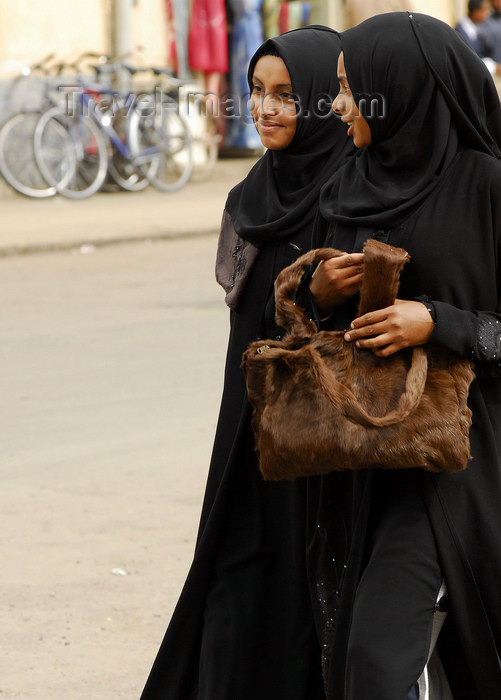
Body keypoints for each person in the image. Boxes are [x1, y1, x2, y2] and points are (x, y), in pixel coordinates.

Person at [139, 26, 354, 700]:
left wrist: (307, 301)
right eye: (257, 91)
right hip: (249, 428)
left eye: (287, 95)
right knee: (233, 573)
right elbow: (242, 308)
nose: (264, 108)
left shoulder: (352, 195)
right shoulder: (250, 196)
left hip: (327, 440)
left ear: (321, 102)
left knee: (303, 589)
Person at [307, 12, 501, 700]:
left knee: (379, 657)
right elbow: (315, 328)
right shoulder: (348, 183)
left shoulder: (486, 187)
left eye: (349, 88)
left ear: (402, 87)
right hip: (362, 456)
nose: (335, 105)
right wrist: (318, 288)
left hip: (459, 461)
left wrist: (438, 322)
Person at [455, 0, 501, 76]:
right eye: (485, 10)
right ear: (476, 12)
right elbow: (469, 61)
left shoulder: (476, 29)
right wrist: (494, 67)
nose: (488, 14)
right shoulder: (461, 32)